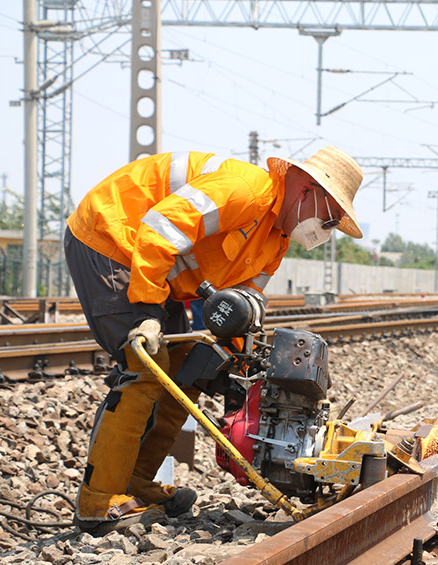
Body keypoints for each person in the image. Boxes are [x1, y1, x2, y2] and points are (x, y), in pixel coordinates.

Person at [64, 147, 364, 535]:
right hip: (111, 241)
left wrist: (240, 368)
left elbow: (242, 307)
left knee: (184, 373)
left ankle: (136, 483)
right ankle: (98, 502)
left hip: (155, 271)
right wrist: (145, 316)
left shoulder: (275, 241)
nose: (327, 229)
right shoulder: (246, 190)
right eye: (330, 219)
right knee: (147, 369)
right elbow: (160, 227)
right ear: (309, 190)